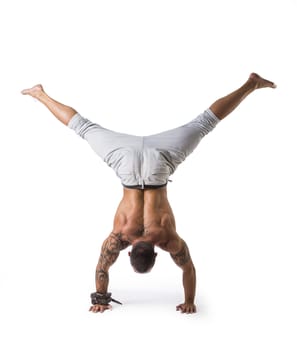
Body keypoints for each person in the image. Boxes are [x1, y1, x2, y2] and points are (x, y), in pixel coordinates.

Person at [22, 73, 276, 314]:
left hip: (159, 166)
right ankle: (39, 94)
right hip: (126, 163)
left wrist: (189, 302)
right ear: (129, 252)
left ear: (156, 252)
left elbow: (188, 269)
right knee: (84, 128)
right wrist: (100, 300)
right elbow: (102, 268)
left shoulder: (167, 238)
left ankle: (250, 84)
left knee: (203, 124)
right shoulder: (119, 238)